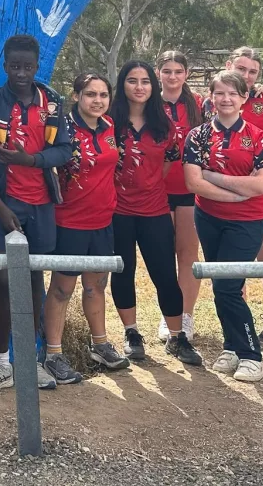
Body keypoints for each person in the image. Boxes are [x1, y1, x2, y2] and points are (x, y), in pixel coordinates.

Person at [0, 34, 72, 394]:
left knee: (32, 280)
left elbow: (64, 151)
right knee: (2, 280)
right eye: (15, 66)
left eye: (28, 66)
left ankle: (29, 359)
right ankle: (0, 363)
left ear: (37, 65)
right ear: (5, 65)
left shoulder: (54, 103)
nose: (21, 73)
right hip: (3, 205)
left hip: (41, 206)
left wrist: (30, 160)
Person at [184, 70, 263, 382]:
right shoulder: (197, 136)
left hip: (247, 221)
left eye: (232, 94)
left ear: (244, 98)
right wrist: (237, 190)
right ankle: (231, 346)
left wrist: (214, 178)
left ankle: (252, 355)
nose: (226, 99)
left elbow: (261, 186)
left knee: (226, 285)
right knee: (222, 284)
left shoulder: (260, 137)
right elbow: (193, 181)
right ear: (211, 96)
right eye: (220, 93)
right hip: (207, 218)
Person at [109, 61, 201, 366]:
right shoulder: (109, 122)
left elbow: (164, 167)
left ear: (153, 86)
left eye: (145, 81)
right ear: (122, 84)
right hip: (118, 211)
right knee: (123, 273)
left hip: (154, 210)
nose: (139, 87)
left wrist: (145, 186)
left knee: (164, 274)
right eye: (132, 80)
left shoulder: (165, 127)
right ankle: (131, 333)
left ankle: (177, 337)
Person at [42, 73, 129, 384]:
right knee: (63, 289)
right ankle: (53, 354)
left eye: (103, 95)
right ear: (76, 95)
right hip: (69, 221)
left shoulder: (108, 127)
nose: (97, 100)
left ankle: (100, 345)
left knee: (96, 286)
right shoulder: (63, 128)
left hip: (103, 220)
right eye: (90, 94)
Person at [215, 47, 263, 347]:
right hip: (219, 193)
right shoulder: (212, 101)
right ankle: (236, 327)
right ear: (229, 66)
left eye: (253, 72)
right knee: (231, 263)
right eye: (241, 69)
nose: (247, 76)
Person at [156, 50, 204, 343]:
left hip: (189, 190)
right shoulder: (147, 102)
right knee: (163, 257)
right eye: (166, 71)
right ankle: (168, 314)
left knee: (187, 254)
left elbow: (237, 97)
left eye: (178, 71)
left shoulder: (200, 104)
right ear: (158, 72)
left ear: (186, 74)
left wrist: (258, 88)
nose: (172, 77)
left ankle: (185, 316)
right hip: (157, 191)